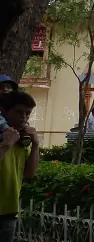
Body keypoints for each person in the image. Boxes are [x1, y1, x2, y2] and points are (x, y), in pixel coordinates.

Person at [0, 90, 40, 242]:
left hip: (10, 212)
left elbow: (29, 174)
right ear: (4, 111)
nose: (23, 118)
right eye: (19, 112)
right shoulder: (7, 138)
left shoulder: (23, 139)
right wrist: (5, 145)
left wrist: (35, 145)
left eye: (28, 113)